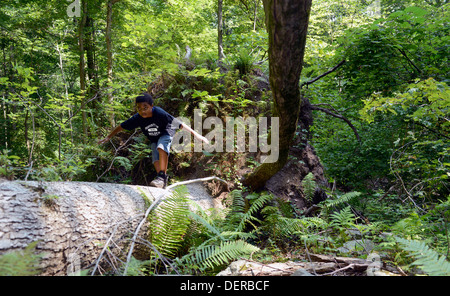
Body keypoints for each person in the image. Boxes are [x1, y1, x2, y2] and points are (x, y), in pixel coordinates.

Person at [98, 93, 208, 188]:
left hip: (166, 131)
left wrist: (197, 135)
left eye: (145, 107)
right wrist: (108, 137)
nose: (142, 111)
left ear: (151, 106)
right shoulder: (138, 118)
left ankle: (161, 177)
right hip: (153, 138)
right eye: (139, 108)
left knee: (161, 147)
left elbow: (179, 124)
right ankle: (162, 180)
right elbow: (121, 126)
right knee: (155, 157)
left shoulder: (159, 113)